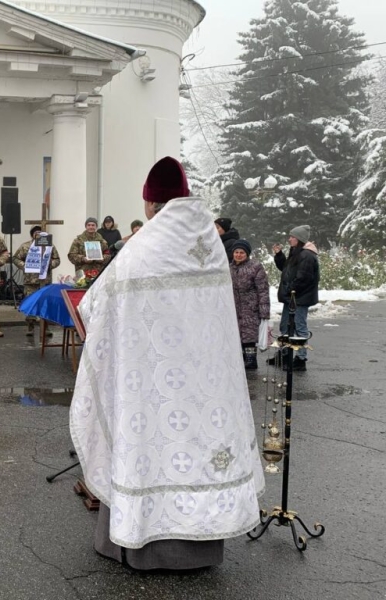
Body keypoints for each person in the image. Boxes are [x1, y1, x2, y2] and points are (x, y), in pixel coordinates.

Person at [70, 156, 264, 571]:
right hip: (205, 383)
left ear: (150, 203)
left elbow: (96, 304)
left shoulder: (145, 245)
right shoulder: (209, 242)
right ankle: (198, 548)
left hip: (151, 382)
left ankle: (139, 545)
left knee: (147, 450)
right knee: (199, 450)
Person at [271, 225, 320, 371]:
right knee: (285, 325)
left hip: (299, 298)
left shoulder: (307, 255)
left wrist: (290, 289)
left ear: (299, 239)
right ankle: (285, 354)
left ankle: (301, 359)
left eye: (292, 237)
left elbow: (303, 278)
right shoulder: (296, 252)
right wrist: (279, 255)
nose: (289, 239)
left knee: (299, 327)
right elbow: (286, 269)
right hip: (291, 297)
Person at [12, 225, 60, 336]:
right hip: (31, 281)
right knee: (31, 303)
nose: (37, 234)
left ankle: (46, 327)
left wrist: (49, 265)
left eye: (40, 232)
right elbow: (15, 258)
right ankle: (30, 326)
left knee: (46, 304)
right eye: (35, 232)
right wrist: (25, 266)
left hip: (45, 280)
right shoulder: (25, 246)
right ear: (32, 234)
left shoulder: (49, 246)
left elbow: (57, 259)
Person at [229, 239, 270, 370]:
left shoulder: (255, 267)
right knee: (237, 334)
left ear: (247, 254)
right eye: (236, 252)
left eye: (241, 252)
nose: (238, 255)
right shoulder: (229, 268)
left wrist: (264, 312)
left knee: (249, 335)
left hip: (250, 308)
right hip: (234, 307)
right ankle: (242, 360)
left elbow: (263, 290)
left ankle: (251, 361)